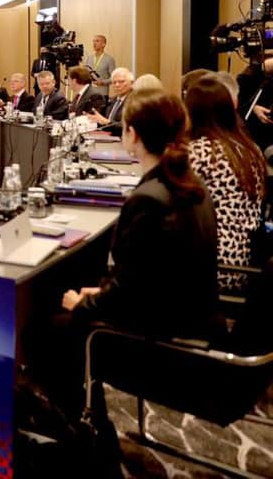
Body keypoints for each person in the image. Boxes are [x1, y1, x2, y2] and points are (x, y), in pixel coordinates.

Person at [43, 89, 222, 448]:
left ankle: (86, 439)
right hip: (190, 314)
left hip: (166, 340)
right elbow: (148, 276)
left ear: (133, 135)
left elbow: (131, 294)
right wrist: (103, 292)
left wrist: (85, 303)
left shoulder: (148, 199)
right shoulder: (189, 183)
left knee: (50, 328)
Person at [185, 75, 267, 289]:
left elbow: (174, 204)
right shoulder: (249, 148)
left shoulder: (200, 152)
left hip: (211, 264)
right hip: (242, 257)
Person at [87, 67, 133, 135]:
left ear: (131, 83)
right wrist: (95, 120)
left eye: (121, 82)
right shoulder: (113, 100)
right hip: (108, 137)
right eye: (114, 82)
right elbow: (105, 122)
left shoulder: (135, 102)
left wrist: (107, 122)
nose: (117, 85)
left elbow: (128, 127)